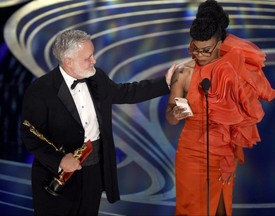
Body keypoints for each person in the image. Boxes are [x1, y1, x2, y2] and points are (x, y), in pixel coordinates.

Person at [21, 29, 176, 216]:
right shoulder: (40, 89)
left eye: (92, 54)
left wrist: (166, 83)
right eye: (87, 58)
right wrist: (60, 160)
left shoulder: (96, 77)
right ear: (68, 62)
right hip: (58, 177)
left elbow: (126, 92)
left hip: (93, 171)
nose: (94, 61)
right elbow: (30, 134)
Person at [165, 0, 275, 215]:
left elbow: (243, 119)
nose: (199, 55)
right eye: (196, 49)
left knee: (220, 210)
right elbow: (170, 116)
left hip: (222, 152)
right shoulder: (184, 73)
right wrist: (176, 113)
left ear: (218, 44)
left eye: (206, 50)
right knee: (189, 210)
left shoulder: (236, 74)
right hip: (191, 152)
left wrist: (232, 154)